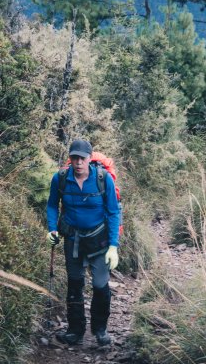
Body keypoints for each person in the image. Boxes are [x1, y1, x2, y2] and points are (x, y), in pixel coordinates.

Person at [46, 139, 120, 346]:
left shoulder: (103, 179)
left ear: (89, 158)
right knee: (75, 283)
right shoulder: (60, 179)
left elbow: (114, 212)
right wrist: (52, 228)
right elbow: (52, 205)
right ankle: (75, 330)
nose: (78, 162)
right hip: (73, 239)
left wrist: (113, 246)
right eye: (74, 157)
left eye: (82, 158)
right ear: (70, 158)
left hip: (100, 241)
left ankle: (100, 330)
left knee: (100, 284)